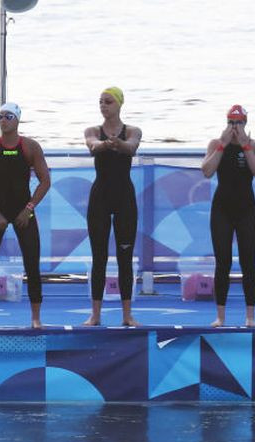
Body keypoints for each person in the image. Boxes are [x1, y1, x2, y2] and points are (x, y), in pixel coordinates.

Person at [0, 102, 50, 330]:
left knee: (32, 264)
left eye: (8, 116)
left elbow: (45, 181)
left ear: (17, 120)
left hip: (23, 211)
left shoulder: (30, 147)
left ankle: (36, 318)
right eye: (0, 116)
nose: (3, 120)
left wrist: (29, 208)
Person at [201, 105, 255, 327]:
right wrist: (221, 145)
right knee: (223, 263)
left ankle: (250, 316)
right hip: (222, 209)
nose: (234, 127)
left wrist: (245, 144)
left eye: (238, 123)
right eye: (231, 122)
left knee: (249, 262)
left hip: (246, 209)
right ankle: (220, 316)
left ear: (246, 123)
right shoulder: (216, 144)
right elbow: (207, 171)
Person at [83, 87, 142, 327]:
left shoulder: (133, 131)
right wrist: (108, 144)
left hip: (124, 198)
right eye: (100, 102)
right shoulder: (93, 130)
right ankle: (95, 314)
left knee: (125, 258)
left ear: (119, 104)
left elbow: (132, 147)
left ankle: (127, 315)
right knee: (99, 257)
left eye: (108, 101)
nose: (103, 105)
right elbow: (93, 145)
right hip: (100, 198)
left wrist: (119, 144)